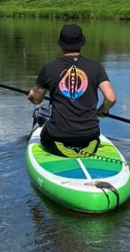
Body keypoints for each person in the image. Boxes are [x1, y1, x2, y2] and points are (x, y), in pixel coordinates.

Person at [27, 23, 116, 157]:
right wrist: (103, 110)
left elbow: (37, 99)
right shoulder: (96, 67)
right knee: (87, 135)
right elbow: (110, 98)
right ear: (81, 43)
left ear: (61, 45)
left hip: (58, 135)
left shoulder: (49, 68)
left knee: (44, 133)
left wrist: (31, 95)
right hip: (89, 136)